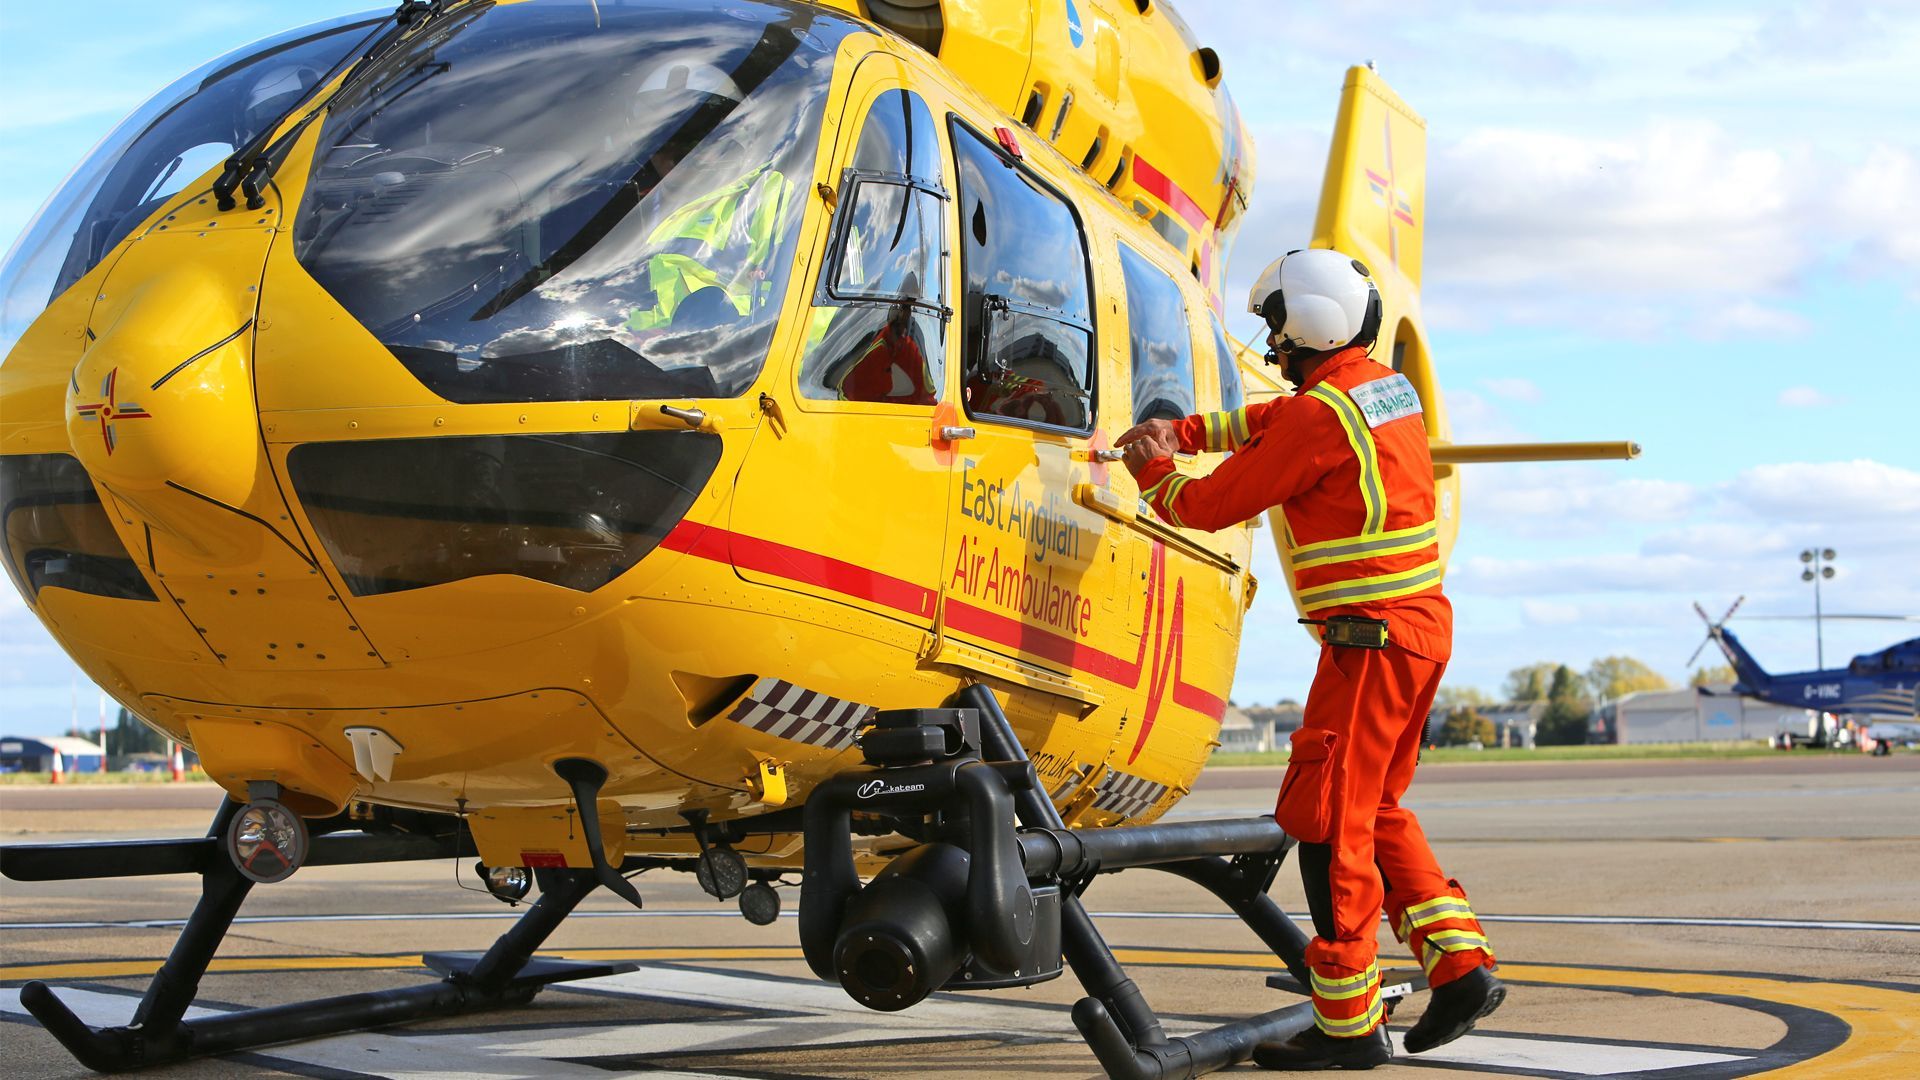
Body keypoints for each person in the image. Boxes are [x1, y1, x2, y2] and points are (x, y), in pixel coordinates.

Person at [1116, 248, 1503, 1071]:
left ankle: (1350, 1029)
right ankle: (1461, 968)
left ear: (1307, 325)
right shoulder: (1375, 389)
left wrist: (1151, 466)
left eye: (1277, 331)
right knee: (1381, 808)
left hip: (1368, 646)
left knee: (1331, 828)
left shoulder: (1319, 418)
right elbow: (1268, 422)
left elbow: (1207, 503)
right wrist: (1183, 428)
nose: (1274, 348)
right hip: (1417, 634)